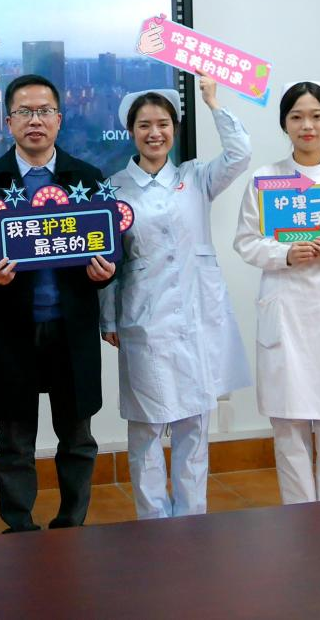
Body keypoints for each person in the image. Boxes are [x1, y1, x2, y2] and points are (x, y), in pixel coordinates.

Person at [0, 73, 116, 533]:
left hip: (72, 328)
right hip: (13, 329)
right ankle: (19, 529)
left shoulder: (87, 178)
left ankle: (71, 525)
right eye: (25, 112)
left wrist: (107, 270)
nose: (36, 121)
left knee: (78, 437)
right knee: (14, 440)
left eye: (45, 111)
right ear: (8, 121)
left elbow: (113, 248)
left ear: (59, 120)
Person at [100, 81, 252, 519]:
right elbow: (108, 259)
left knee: (194, 425)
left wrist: (213, 102)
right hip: (143, 320)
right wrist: (108, 319)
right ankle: (153, 521)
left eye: (163, 124)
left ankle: (191, 518)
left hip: (196, 318)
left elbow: (240, 153)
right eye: (144, 125)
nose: (155, 133)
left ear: (175, 129)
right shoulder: (113, 189)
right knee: (147, 426)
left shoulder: (196, 178)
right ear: (131, 132)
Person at [233, 81, 320, 504]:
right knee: (289, 422)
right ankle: (299, 516)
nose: (307, 125)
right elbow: (246, 242)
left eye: (316, 116)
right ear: (284, 124)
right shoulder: (265, 179)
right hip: (286, 305)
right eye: (296, 117)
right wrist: (285, 254)